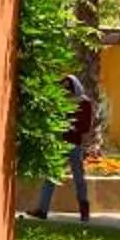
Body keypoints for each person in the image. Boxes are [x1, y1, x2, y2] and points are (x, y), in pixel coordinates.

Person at [33, 72, 96, 221]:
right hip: (59, 144)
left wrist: (70, 127)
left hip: (74, 145)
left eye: (69, 88)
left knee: (79, 178)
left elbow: (85, 126)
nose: (66, 92)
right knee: (51, 177)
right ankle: (42, 210)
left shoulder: (84, 103)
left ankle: (84, 211)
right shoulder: (60, 104)